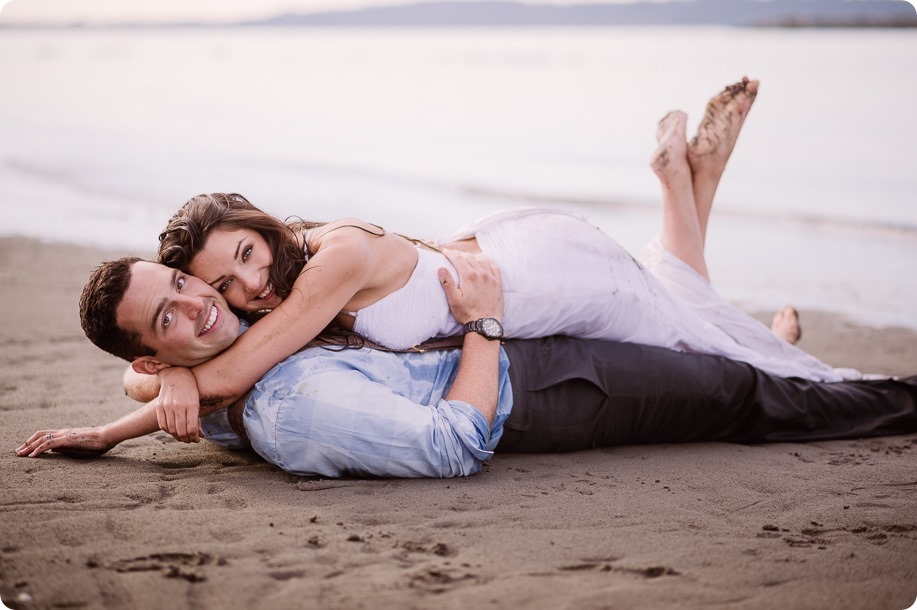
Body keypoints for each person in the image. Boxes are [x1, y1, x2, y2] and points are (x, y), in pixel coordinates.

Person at [145, 78, 863, 441]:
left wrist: (175, 378)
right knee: (684, 309)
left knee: (701, 342)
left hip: (548, 278)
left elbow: (236, 369)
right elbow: (212, 362)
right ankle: (692, 182)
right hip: (516, 252)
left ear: (260, 226)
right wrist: (150, 382)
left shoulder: (331, 261)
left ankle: (688, 188)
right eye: (224, 285)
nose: (249, 282)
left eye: (245, 252)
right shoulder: (310, 264)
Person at [16, 251, 917, 478]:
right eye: (170, 316)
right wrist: (482, 323)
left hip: (524, 359)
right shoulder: (293, 402)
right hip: (549, 392)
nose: (199, 300)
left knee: (700, 348)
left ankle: (781, 345)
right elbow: (455, 444)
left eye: (182, 280)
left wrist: (115, 423)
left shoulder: (222, 374)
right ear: (153, 345)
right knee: (738, 396)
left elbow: (195, 390)